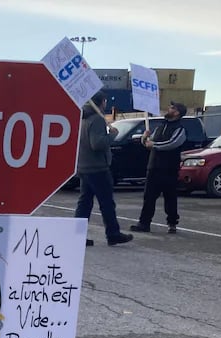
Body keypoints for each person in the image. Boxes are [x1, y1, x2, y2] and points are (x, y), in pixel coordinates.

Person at [74, 91, 133, 246]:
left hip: (84, 166)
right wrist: (113, 135)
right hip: (97, 167)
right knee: (106, 203)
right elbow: (97, 144)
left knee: (84, 203)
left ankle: (77, 235)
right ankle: (113, 233)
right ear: (102, 102)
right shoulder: (97, 119)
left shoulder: (83, 118)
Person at [130, 101, 187, 234]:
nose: (168, 109)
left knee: (170, 198)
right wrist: (144, 138)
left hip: (169, 169)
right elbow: (149, 143)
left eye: (172, 108)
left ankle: (172, 223)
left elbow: (172, 143)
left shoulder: (180, 129)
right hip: (154, 167)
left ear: (177, 113)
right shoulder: (160, 127)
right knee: (148, 197)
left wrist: (154, 145)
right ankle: (144, 223)